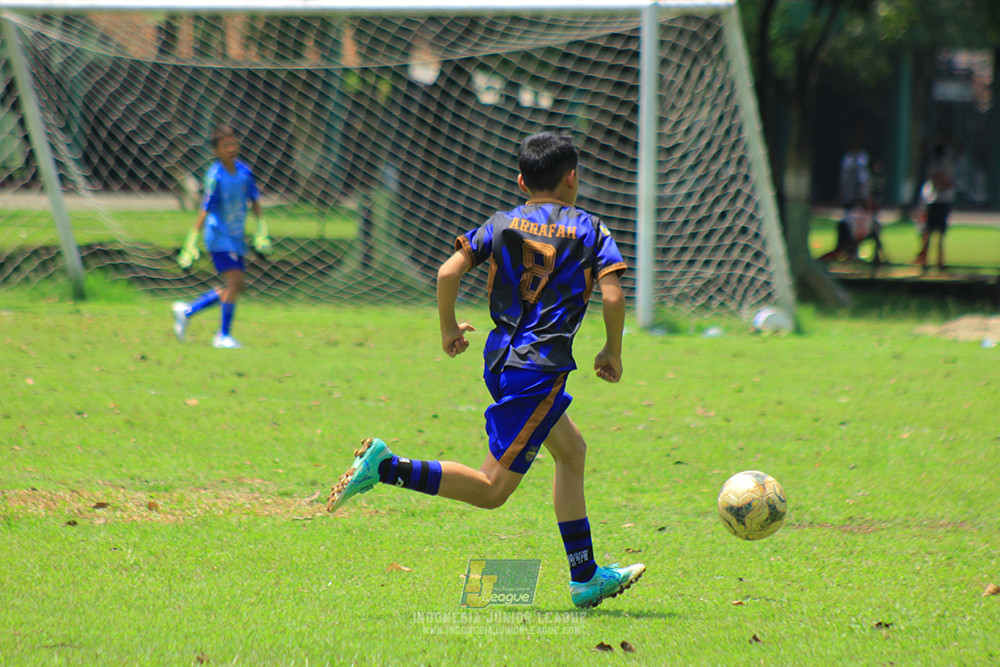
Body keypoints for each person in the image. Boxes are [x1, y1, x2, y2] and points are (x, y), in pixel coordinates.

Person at [326, 131, 645, 609]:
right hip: (537, 371)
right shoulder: (590, 228)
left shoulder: (501, 223)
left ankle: (585, 576)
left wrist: (449, 328)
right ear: (573, 178)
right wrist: (612, 351)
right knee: (492, 490)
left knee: (572, 451)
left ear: (521, 181)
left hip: (501, 360)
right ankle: (386, 467)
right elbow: (614, 295)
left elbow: (447, 272)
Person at [172, 125, 267, 349]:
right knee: (234, 282)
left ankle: (187, 311)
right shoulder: (215, 176)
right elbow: (205, 209)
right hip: (218, 236)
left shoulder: (244, 171)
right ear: (216, 151)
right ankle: (223, 335)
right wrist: (191, 241)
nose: (232, 149)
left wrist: (262, 230)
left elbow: (254, 201)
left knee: (237, 286)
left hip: (236, 237)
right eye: (226, 146)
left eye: (234, 144)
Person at [914, 143, 954, 271]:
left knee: (932, 232)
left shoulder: (934, 165)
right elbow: (947, 182)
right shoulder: (944, 165)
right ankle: (936, 261)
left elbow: (934, 180)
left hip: (935, 200)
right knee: (937, 233)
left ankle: (931, 261)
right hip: (940, 201)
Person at [838, 138, 870, 211]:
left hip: (861, 179)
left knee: (862, 195)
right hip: (850, 180)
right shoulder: (848, 156)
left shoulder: (863, 155)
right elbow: (846, 167)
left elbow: (863, 165)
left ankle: (861, 210)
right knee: (849, 197)